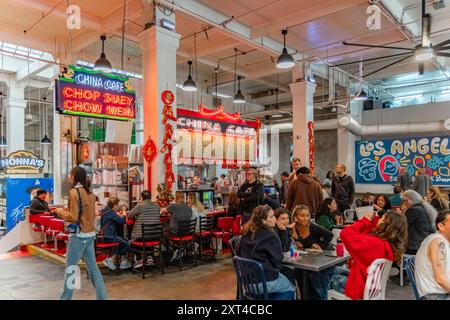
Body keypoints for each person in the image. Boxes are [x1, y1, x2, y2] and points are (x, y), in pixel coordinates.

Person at [329, 210, 408, 300]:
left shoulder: (375, 243)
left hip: (359, 288)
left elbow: (345, 233)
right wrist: (372, 221)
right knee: (332, 269)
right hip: (371, 284)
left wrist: (364, 221)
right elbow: (365, 234)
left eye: (381, 218)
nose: (379, 219)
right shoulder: (387, 244)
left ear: (385, 224)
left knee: (323, 275)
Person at [56, 167, 107, 300]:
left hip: (78, 236)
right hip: (90, 234)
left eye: (70, 174)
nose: (68, 177)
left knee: (71, 269)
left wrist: (60, 212)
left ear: (74, 176)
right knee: (93, 269)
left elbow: (73, 217)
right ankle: (102, 298)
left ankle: (65, 298)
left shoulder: (74, 192)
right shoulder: (90, 193)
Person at [237, 205, 295, 298]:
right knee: (292, 287)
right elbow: (278, 261)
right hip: (264, 282)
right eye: (272, 216)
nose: (275, 219)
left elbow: (238, 253)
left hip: (247, 282)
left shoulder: (247, 232)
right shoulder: (270, 235)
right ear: (263, 220)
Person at [291, 205, 333, 300]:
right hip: (300, 260)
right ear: (295, 217)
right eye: (302, 215)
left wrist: (320, 246)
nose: (305, 218)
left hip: (316, 260)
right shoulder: (292, 228)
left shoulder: (313, 227)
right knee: (298, 275)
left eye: (307, 215)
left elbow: (330, 235)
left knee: (313, 279)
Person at [415, 210, 450, 300]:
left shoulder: (441, 241)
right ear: (441, 226)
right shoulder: (438, 242)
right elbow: (440, 279)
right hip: (436, 296)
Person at [100, 197, 133, 270]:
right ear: (114, 205)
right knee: (127, 244)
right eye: (117, 204)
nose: (118, 206)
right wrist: (124, 211)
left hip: (106, 235)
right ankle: (111, 259)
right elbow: (122, 221)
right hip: (109, 236)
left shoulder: (106, 210)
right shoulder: (110, 212)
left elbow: (112, 217)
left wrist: (117, 213)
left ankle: (123, 262)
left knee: (123, 241)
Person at [402, 190, 436, 255]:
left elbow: (403, 227)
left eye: (404, 201)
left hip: (414, 246)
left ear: (408, 200)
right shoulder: (424, 208)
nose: (403, 203)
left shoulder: (413, 210)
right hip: (425, 243)